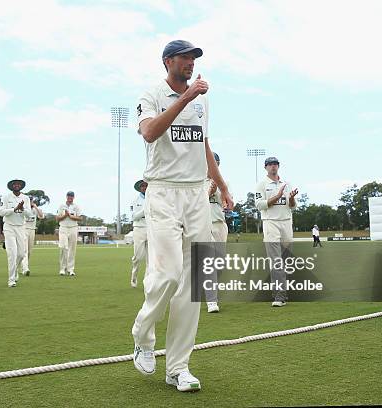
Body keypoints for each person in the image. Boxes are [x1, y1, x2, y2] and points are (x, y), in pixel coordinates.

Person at [131, 40, 233, 392]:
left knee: (193, 285)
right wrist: (186, 99)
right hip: (162, 191)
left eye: (194, 59)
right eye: (185, 58)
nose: (191, 63)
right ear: (168, 61)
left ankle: (178, 367)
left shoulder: (202, 101)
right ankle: (143, 334)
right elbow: (149, 132)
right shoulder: (152, 94)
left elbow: (203, 144)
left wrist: (221, 184)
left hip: (195, 195)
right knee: (168, 273)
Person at [255, 156, 298, 307]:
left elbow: (292, 207)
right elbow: (260, 205)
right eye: (270, 164)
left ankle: (282, 294)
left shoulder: (286, 184)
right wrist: (277, 196)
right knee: (276, 261)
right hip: (270, 223)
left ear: (278, 166)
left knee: (286, 261)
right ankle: (279, 296)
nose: (273, 166)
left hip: (286, 222)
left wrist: (291, 198)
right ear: (265, 167)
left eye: (275, 164)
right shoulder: (261, 184)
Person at [205, 152, 229, 313]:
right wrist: (209, 193)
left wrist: (225, 202)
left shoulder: (223, 183)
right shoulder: (196, 182)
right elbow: (194, 204)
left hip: (220, 224)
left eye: (215, 164)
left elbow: (227, 202)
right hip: (203, 225)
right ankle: (211, 301)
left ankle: (207, 288)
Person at [0, 179, 33, 287]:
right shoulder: (6, 197)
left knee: (21, 254)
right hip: (9, 226)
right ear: (12, 186)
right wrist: (14, 209)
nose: (17, 185)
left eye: (19, 184)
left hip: (21, 227)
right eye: (15, 184)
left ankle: (15, 271)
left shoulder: (25, 198)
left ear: (21, 186)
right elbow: (1, 212)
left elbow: (29, 215)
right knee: (12, 254)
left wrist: (22, 209)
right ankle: (11, 280)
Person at [55, 191, 82, 276]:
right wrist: (65, 215)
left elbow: (80, 218)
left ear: (74, 197)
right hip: (63, 227)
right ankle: (62, 268)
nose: (70, 197)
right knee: (63, 247)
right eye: (69, 196)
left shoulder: (76, 206)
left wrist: (70, 216)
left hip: (73, 228)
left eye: (72, 196)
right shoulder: (61, 206)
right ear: (66, 196)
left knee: (72, 249)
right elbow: (57, 218)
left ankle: (70, 269)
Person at [130, 180, 148, 288]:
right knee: (137, 256)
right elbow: (134, 217)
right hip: (139, 229)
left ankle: (147, 281)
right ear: (140, 188)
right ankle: (134, 277)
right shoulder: (135, 201)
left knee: (151, 258)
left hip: (151, 229)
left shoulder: (154, 199)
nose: (144, 188)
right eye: (143, 186)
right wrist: (144, 211)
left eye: (146, 186)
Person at [20, 198, 43, 276]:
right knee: (25, 250)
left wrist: (35, 207)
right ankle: (25, 269)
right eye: (29, 201)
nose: (30, 202)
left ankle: (24, 266)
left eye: (31, 201)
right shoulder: (24, 209)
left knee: (29, 251)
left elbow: (41, 216)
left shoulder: (35, 209)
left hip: (32, 230)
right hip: (24, 229)